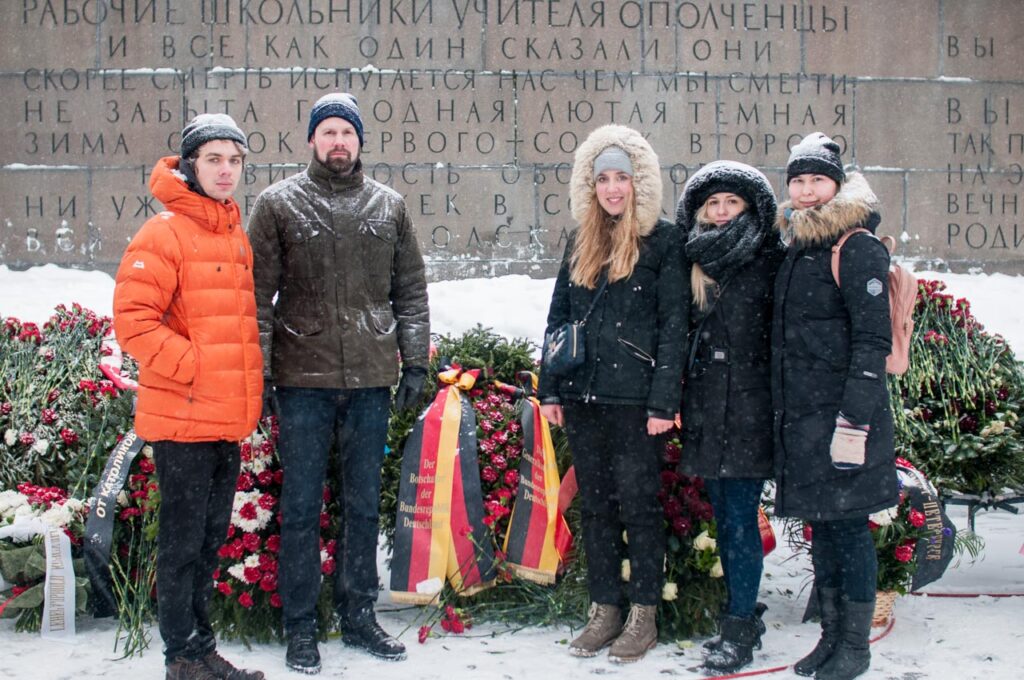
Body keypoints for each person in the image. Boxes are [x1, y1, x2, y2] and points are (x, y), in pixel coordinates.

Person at [248, 93, 429, 674]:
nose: (337, 143)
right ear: (311, 141)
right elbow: (255, 297)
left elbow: (412, 292)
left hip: (371, 381)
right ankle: (301, 625)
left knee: (359, 506)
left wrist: (415, 363)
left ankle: (358, 614)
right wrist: (264, 372)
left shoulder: (389, 206)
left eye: (346, 133)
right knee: (300, 508)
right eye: (327, 132)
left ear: (359, 141)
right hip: (302, 381)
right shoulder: (277, 205)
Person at [113, 114, 265, 680]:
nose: (227, 171)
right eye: (214, 160)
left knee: (207, 543)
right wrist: (195, 368)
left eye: (235, 161)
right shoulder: (164, 233)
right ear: (189, 166)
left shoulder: (231, 231)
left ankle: (201, 651)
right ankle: (182, 657)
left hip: (224, 420)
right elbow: (133, 322)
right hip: (183, 420)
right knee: (180, 548)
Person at [537, 124, 686, 664]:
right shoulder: (581, 238)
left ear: (639, 182)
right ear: (590, 185)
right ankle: (605, 609)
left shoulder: (664, 240)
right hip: (583, 398)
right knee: (597, 509)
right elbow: (560, 316)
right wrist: (550, 389)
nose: (613, 188)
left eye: (623, 177)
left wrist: (663, 403)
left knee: (640, 509)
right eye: (604, 179)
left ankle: (643, 614)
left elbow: (674, 325)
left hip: (636, 403)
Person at [771, 133, 897, 680]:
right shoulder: (798, 247)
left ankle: (856, 645)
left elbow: (873, 342)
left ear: (837, 186)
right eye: (797, 181)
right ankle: (829, 639)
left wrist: (854, 422)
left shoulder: (858, 246)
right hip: (804, 420)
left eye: (816, 180)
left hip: (845, 419)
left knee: (848, 531)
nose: (805, 191)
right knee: (822, 528)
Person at [675, 161, 784, 673]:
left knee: (739, 520)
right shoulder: (694, 258)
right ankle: (743, 607)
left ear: (749, 208)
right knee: (724, 516)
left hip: (748, 407)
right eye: (712, 204)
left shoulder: (770, 259)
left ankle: (741, 624)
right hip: (705, 405)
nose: (720, 213)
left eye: (731, 203)